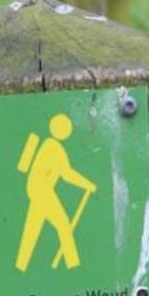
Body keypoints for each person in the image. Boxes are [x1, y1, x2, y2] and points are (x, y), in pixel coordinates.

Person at [15, 114, 97, 272]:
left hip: (36, 190)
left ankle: (20, 266)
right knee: (63, 225)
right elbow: (66, 174)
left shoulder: (48, 144)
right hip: (42, 192)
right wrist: (88, 184)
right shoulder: (54, 148)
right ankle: (74, 266)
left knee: (32, 230)